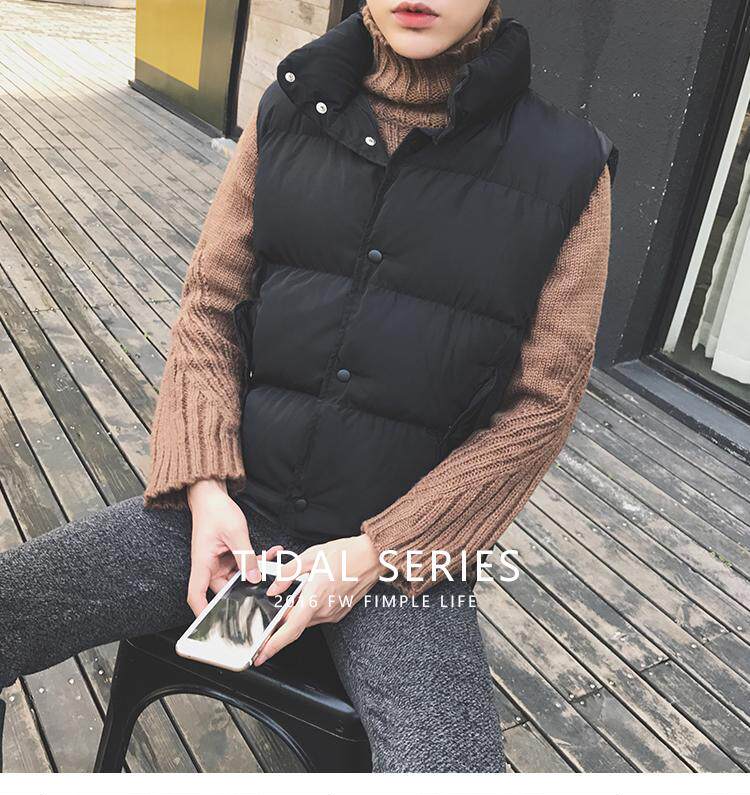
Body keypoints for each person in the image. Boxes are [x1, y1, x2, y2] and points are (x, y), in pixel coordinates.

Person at [0, 0, 615, 773]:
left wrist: (377, 552)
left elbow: (540, 408)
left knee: (450, 769)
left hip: (404, 565)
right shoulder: (289, 109)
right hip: (238, 506)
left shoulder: (568, 166)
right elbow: (211, 308)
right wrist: (205, 488)